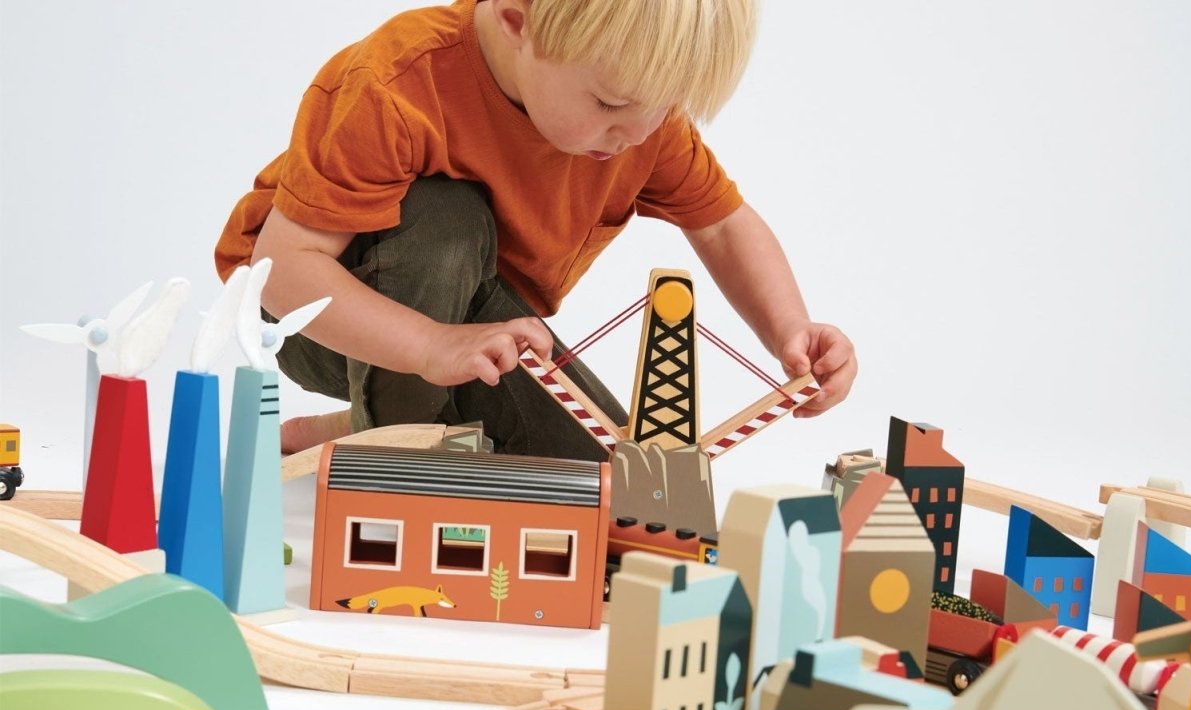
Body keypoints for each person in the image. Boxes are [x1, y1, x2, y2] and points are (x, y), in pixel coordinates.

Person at [215, 0, 857, 459]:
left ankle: (354, 427)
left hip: (476, 328)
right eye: (609, 104)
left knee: (606, 476)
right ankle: (390, 449)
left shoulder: (641, 126)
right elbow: (286, 267)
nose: (637, 132)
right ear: (516, 21)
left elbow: (723, 226)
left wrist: (791, 330)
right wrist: (430, 344)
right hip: (313, 320)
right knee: (446, 214)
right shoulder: (396, 84)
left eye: (663, 107)